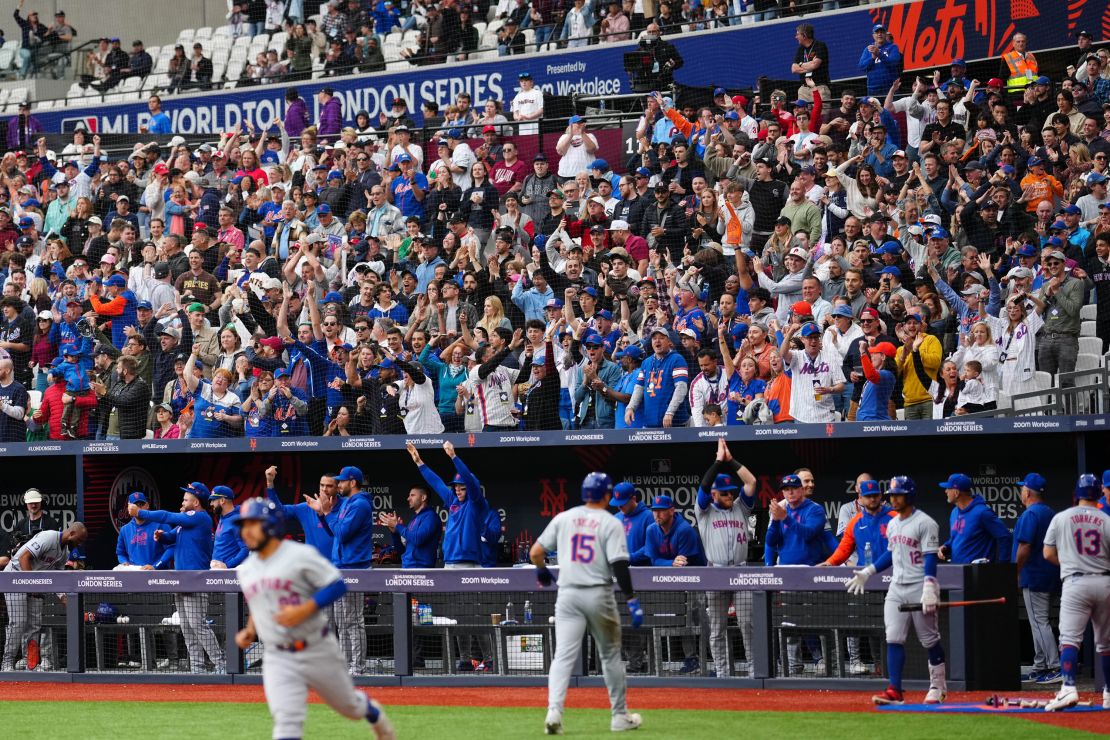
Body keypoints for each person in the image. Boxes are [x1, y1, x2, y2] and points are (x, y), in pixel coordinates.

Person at [233, 498, 395, 740]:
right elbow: (260, 605)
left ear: (271, 525)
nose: (246, 531)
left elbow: (337, 585)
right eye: (243, 525)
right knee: (286, 723)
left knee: (349, 707)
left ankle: (374, 714)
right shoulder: (245, 569)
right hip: (278, 657)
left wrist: (303, 610)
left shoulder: (299, 555)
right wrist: (249, 630)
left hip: (316, 648)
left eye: (253, 524)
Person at [530, 472, 644, 735]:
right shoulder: (610, 522)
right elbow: (620, 566)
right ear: (606, 496)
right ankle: (618, 716)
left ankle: (554, 712)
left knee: (563, 657)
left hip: (568, 595)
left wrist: (542, 571)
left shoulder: (564, 517)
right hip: (598, 595)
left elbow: (535, 553)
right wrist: (632, 600)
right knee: (610, 656)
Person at [847, 476, 947, 705]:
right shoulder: (893, 524)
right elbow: (891, 554)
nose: (893, 498)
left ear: (909, 496)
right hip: (897, 587)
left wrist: (930, 585)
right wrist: (869, 571)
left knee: (929, 640)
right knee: (893, 638)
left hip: (920, 585)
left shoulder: (925, 522)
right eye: (892, 494)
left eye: (898, 494)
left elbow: (931, 556)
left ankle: (938, 686)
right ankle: (895, 690)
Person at [131, 482, 225, 674]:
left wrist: (141, 513)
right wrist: (162, 536)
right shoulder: (186, 524)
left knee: (198, 625)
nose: (183, 501)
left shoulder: (200, 517)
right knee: (187, 628)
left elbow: (166, 516)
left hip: (195, 579)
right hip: (181, 579)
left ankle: (221, 664)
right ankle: (197, 667)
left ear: (196, 501)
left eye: (186, 498)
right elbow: (172, 536)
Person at [1042, 474, 1110, 711]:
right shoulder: (1107, 519)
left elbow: (1047, 553)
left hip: (1075, 581)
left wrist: (1071, 562)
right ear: (1098, 493)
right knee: (1105, 643)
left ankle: (1069, 688)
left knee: (1070, 639)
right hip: (1104, 582)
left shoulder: (1061, 518)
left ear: (1076, 494)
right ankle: (1109, 694)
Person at [822, 478, 894, 674]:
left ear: (880, 496)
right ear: (860, 498)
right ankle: (872, 662)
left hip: (891, 579)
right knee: (865, 622)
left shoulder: (894, 516)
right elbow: (844, 549)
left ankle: (887, 665)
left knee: (889, 625)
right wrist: (830, 563)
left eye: (875, 495)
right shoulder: (855, 522)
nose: (872, 499)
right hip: (866, 579)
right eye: (867, 496)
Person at [698, 440, 757, 677]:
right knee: (717, 628)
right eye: (724, 493)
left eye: (731, 492)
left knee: (747, 624)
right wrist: (717, 462)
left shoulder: (740, 508)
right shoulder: (704, 511)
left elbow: (751, 482)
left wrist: (730, 460)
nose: (730, 495)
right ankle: (722, 674)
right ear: (714, 494)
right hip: (716, 572)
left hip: (740, 572)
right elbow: (703, 486)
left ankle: (755, 670)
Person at [1, 523, 88, 672]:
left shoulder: (65, 552)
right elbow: (23, 558)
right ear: (71, 533)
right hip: (15, 576)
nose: (79, 544)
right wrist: (32, 586)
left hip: (34, 583)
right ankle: (6, 662)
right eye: (79, 540)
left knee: (34, 624)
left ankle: (31, 663)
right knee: (19, 621)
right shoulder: (49, 537)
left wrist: (66, 600)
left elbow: (57, 578)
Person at [1011, 473, 1062, 685]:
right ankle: (1041, 665)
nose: (1021, 491)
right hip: (1050, 573)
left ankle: (1054, 666)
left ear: (1028, 492)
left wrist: (1014, 571)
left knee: (1039, 622)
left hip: (1034, 575)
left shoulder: (1031, 514)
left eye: (1023, 488)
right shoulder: (1049, 512)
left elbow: (1025, 546)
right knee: (1041, 621)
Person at [330, 465, 375, 676]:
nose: (338, 485)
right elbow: (338, 531)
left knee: (353, 620)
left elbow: (342, 533)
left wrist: (329, 514)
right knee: (341, 621)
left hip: (355, 569)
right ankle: (344, 664)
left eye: (341, 481)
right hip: (341, 566)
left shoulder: (360, 505)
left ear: (353, 482)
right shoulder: (348, 503)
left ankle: (357, 667)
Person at [937, 473, 1013, 564]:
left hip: (979, 575)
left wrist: (1003, 567)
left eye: (948, 488)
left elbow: (1005, 536)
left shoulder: (982, 513)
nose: (946, 491)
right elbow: (957, 537)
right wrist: (946, 546)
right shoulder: (954, 512)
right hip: (957, 572)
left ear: (956, 493)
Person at [779, 321, 845, 423]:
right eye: (810, 338)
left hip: (826, 415)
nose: (813, 341)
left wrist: (830, 389)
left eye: (816, 337)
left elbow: (841, 386)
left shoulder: (830, 357)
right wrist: (791, 332)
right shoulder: (797, 356)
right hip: (802, 415)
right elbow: (783, 353)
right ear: (803, 339)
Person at [625, 326, 689, 428]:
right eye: (654, 339)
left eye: (661, 338)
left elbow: (681, 388)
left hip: (674, 422)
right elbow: (639, 388)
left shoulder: (677, 359)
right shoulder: (646, 362)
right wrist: (630, 407)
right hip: (650, 422)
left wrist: (670, 412)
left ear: (669, 341)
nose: (657, 341)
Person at [380, 485, 442, 569]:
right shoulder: (414, 519)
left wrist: (397, 525)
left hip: (422, 570)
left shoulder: (431, 517)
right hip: (407, 568)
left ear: (423, 497)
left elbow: (418, 539)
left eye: (412, 495)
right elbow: (401, 551)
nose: (408, 498)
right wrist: (394, 532)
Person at [115, 492, 163, 568]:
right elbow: (120, 553)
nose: (138, 508)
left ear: (147, 505)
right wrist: (124, 562)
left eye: (141, 505)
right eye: (135, 505)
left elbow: (170, 548)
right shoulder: (125, 530)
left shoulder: (159, 524)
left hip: (157, 575)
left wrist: (155, 566)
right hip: (135, 574)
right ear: (129, 508)